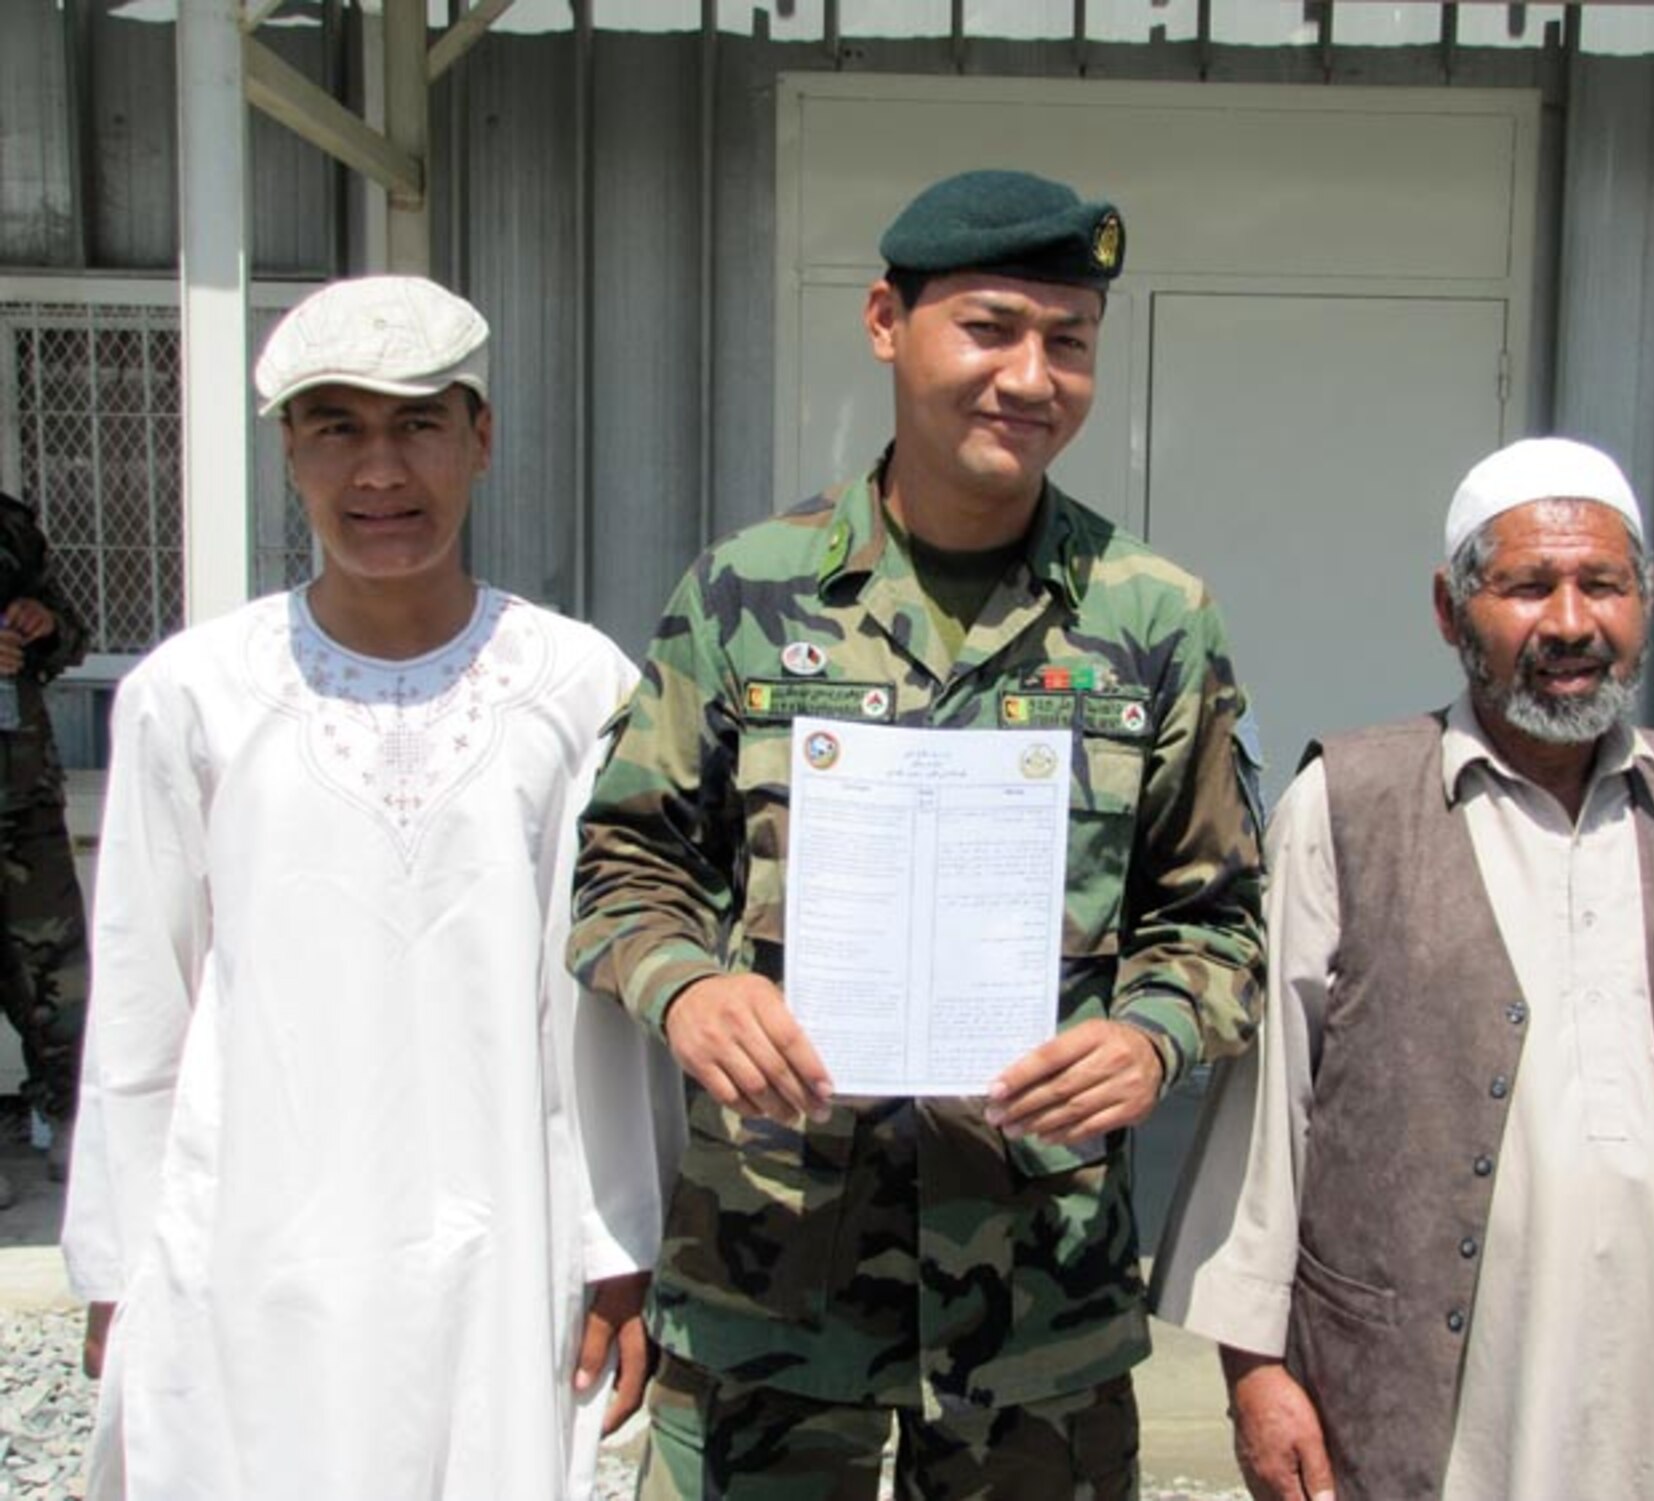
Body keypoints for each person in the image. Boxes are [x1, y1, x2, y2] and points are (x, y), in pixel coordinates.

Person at [570, 169, 1265, 1498]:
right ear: (887, 322)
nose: (1031, 377)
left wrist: (1150, 1035)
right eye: (990, 329)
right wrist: (687, 988)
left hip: (1037, 1304)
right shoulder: (746, 594)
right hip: (773, 1289)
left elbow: (1217, 913)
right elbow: (622, 864)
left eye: (1069, 341)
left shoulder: (1153, 619)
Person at [1151, 437, 1654, 1501]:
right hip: (1413, 1386)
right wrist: (1255, 1373)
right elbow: (1268, 1106)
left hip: (1647, 1378)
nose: (1569, 623)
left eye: (1602, 586)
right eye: (1527, 586)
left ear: (1644, 603)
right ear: (1450, 609)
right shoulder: (1349, 803)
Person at [60, 275, 664, 1501]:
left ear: (479, 438)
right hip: (257, 1227)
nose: (379, 470)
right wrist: (117, 1264)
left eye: (417, 423)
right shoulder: (195, 692)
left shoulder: (576, 684)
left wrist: (616, 1245)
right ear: (289, 450)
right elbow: (140, 996)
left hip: (498, 1232)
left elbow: (599, 1000)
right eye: (337, 427)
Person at [0, 488, 92, 1207]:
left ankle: (72, 1123)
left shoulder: (9, 526)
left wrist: (47, 624)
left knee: (57, 975)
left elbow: (74, 637)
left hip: (23, 795)